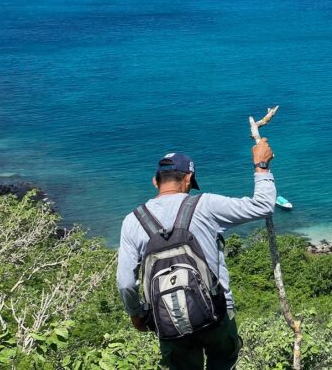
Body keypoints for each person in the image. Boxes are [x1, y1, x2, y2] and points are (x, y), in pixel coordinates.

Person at [117, 140, 276, 370]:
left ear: (155, 181)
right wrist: (261, 165)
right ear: (188, 178)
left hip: (169, 320)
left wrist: (136, 315)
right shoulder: (205, 205)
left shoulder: (133, 221)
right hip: (217, 314)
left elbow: (125, 283)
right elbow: (262, 206)